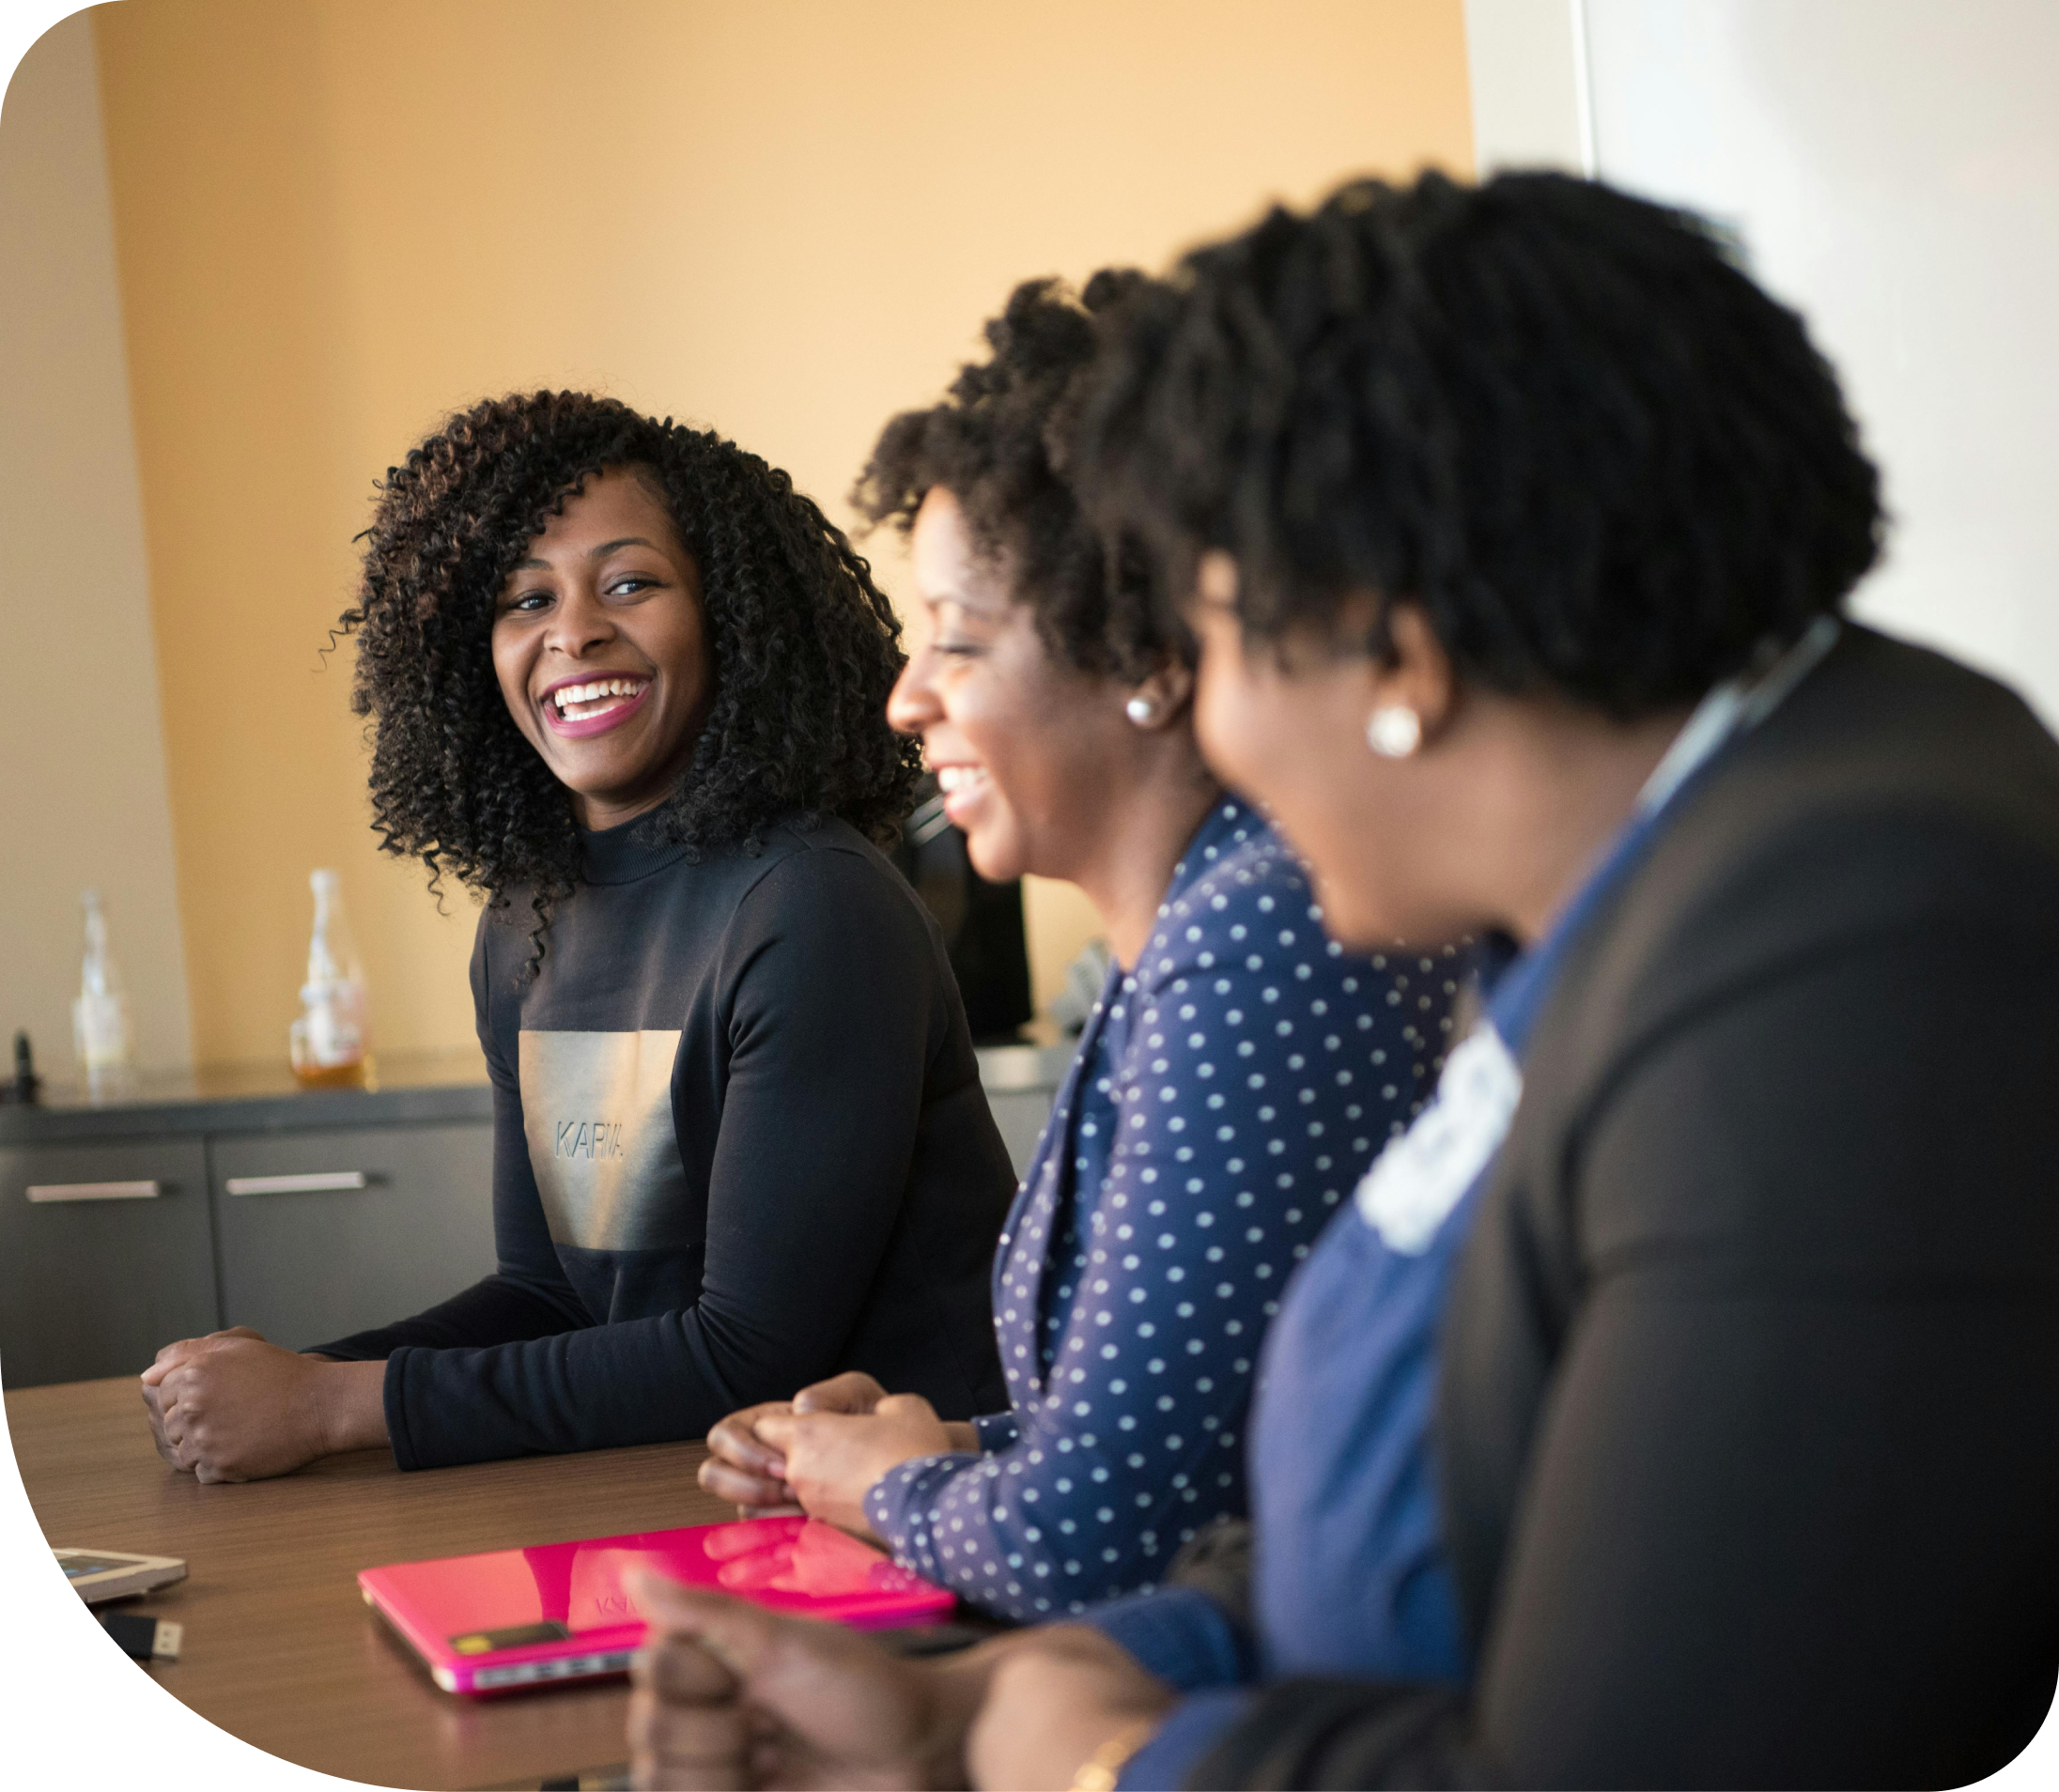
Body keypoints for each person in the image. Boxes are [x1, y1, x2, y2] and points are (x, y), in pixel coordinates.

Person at [623, 172, 2059, 1792]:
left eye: (1216, 638)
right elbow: (1432, 1489)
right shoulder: (1655, 879)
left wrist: (1106, 1756)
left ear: (1395, 651)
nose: (1211, 728)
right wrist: (1027, 1687)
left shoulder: (1855, 958)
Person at [692, 276, 1453, 1619]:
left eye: (957, 641)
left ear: (1146, 654)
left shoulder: (1259, 940)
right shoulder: (1181, 939)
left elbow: (1090, 1546)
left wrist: (886, 1490)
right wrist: (917, 1453)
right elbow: (1188, 1450)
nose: (906, 696)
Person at [140, 392, 1016, 1481]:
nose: (573, 631)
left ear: (731, 618)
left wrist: (330, 1405)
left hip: (908, 1519)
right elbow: (550, 1296)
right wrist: (290, 1377)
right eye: (523, 599)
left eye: (631, 583)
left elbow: (745, 1351)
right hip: (668, 1482)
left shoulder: (812, 905)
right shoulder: (525, 920)